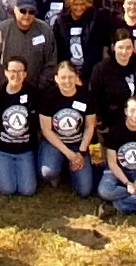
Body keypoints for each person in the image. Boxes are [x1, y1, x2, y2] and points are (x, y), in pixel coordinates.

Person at [0, 57, 38, 196]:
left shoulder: (33, 94)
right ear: (6, 72)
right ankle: (1, 167)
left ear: (25, 74)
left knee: (28, 190)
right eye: (12, 71)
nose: (16, 75)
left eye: (20, 72)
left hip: (25, 151)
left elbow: (37, 122)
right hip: (2, 151)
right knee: (7, 190)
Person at [38, 61, 96, 196]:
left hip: (78, 143)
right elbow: (46, 130)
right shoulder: (48, 97)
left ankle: (71, 170)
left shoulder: (86, 96)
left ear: (76, 77)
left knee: (85, 191)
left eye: (70, 77)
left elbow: (89, 126)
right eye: (63, 77)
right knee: (48, 172)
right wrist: (69, 154)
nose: (67, 81)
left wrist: (81, 153)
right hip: (55, 143)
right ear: (56, 79)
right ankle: (61, 168)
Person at [0, 0, 57, 92]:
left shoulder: (45, 30)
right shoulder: (0, 32)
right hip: (4, 93)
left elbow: (51, 63)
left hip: (36, 93)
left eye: (31, 12)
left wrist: (40, 87)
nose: (27, 15)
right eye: (23, 11)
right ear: (15, 10)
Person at [88, 28, 136, 132]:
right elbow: (96, 98)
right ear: (114, 47)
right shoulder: (101, 69)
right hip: (113, 121)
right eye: (120, 47)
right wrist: (103, 124)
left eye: (128, 47)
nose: (124, 52)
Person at [52, 0, 108, 81]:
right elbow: (60, 51)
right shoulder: (61, 22)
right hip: (68, 73)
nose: (79, 8)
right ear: (69, 3)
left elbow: (95, 51)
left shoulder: (95, 19)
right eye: (75, 4)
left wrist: (81, 75)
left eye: (82, 4)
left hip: (90, 73)